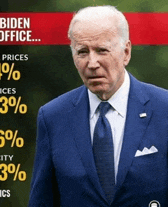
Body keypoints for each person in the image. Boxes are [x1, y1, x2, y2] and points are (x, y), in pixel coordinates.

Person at [29, 5, 168, 207]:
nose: (92, 63)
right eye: (82, 52)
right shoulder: (52, 117)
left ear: (126, 52)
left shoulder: (164, 109)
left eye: (102, 50)